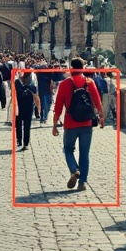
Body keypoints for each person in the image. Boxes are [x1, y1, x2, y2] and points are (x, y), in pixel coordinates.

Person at [52, 57, 103, 192]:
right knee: (84, 153)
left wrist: (54, 124)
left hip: (70, 122)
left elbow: (58, 107)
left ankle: (74, 170)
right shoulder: (89, 82)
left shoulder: (64, 84)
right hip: (86, 123)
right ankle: (82, 183)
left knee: (68, 149)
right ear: (83, 68)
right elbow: (97, 102)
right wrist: (102, 117)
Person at [14, 68, 41, 150]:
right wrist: (38, 109)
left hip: (18, 106)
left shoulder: (17, 83)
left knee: (18, 124)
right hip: (28, 107)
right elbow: (36, 98)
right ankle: (26, 143)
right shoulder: (32, 85)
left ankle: (19, 140)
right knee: (27, 125)